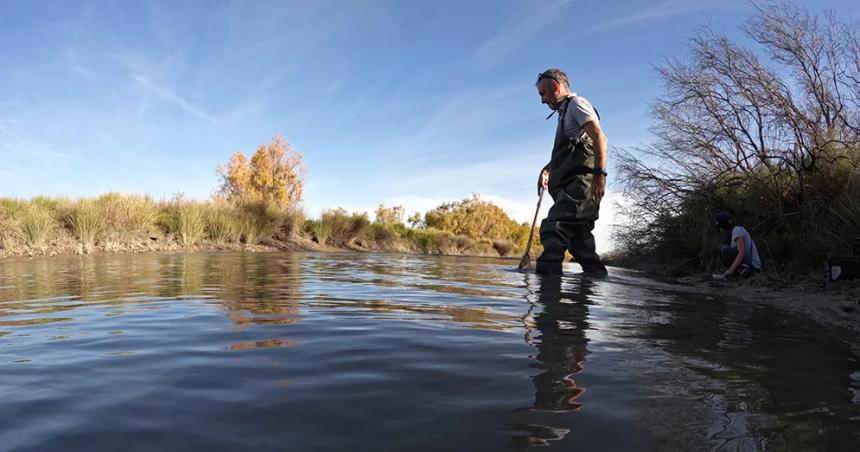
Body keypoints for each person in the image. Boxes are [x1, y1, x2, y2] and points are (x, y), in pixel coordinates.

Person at [534, 68, 608, 275]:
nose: (542, 101)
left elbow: (600, 138)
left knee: (554, 228)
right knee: (579, 243)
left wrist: (599, 177)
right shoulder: (565, 113)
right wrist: (547, 169)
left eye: (543, 94)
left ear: (556, 87)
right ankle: (595, 280)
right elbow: (570, 152)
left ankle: (546, 290)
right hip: (575, 189)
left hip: (581, 188)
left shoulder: (577, 104)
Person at [715, 211, 762, 277]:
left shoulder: (737, 230)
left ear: (723, 227)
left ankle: (739, 271)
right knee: (721, 248)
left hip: (753, 266)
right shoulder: (732, 236)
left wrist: (731, 270)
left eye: (720, 228)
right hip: (746, 264)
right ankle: (737, 273)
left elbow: (741, 253)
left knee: (725, 249)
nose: (720, 231)